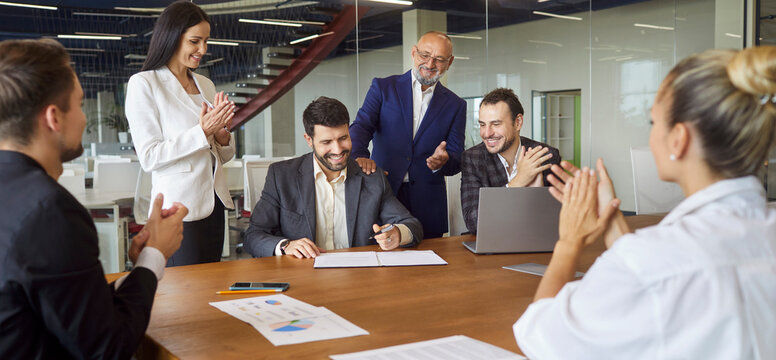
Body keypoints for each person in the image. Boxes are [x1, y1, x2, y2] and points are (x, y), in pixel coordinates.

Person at [514, 47, 776, 358]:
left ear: (678, 139)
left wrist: (570, 241)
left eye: (653, 124)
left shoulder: (653, 259)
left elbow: (540, 336)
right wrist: (610, 220)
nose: (651, 137)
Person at [0, 38, 188, 359]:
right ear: (54, 118)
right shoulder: (50, 211)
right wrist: (156, 253)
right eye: (81, 104)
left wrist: (141, 264)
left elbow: (64, 305)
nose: (86, 119)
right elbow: (108, 348)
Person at [126, 1, 237, 266]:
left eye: (206, 41)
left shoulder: (205, 85)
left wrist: (222, 137)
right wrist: (203, 130)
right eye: (195, 41)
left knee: (211, 286)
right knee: (183, 294)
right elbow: (149, 156)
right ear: (173, 37)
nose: (203, 50)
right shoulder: (145, 84)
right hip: (178, 208)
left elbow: (221, 154)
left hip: (214, 202)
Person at [245, 97, 423, 258]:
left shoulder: (372, 178)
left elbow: (411, 225)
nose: (338, 150)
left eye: (343, 138)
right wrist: (286, 245)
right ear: (309, 140)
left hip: (359, 277)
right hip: (303, 277)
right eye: (326, 142)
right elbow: (253, 236)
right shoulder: (282, 176)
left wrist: (398, 234)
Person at [350, 31, 466, 239]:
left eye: (439, 59)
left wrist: (444, 161)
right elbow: (361, 126)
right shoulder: (383, 88)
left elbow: (456, 157)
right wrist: (360, 157)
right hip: (382, 192)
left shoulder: (456, 105)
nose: (430, 64)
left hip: (428, 204)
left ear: (450, 63)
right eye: (424, 55)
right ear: (413, 53)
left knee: (429, 267)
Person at [460, 88, 560, 234]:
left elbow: (558, 219)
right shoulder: (472, 158)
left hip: (535, 241)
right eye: (482, 125)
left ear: (518, 122)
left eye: (496, 124)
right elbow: (473, 222)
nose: (486, 133)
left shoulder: (545, 156)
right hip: (491, 245)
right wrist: (518, 181)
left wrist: (538, 194)